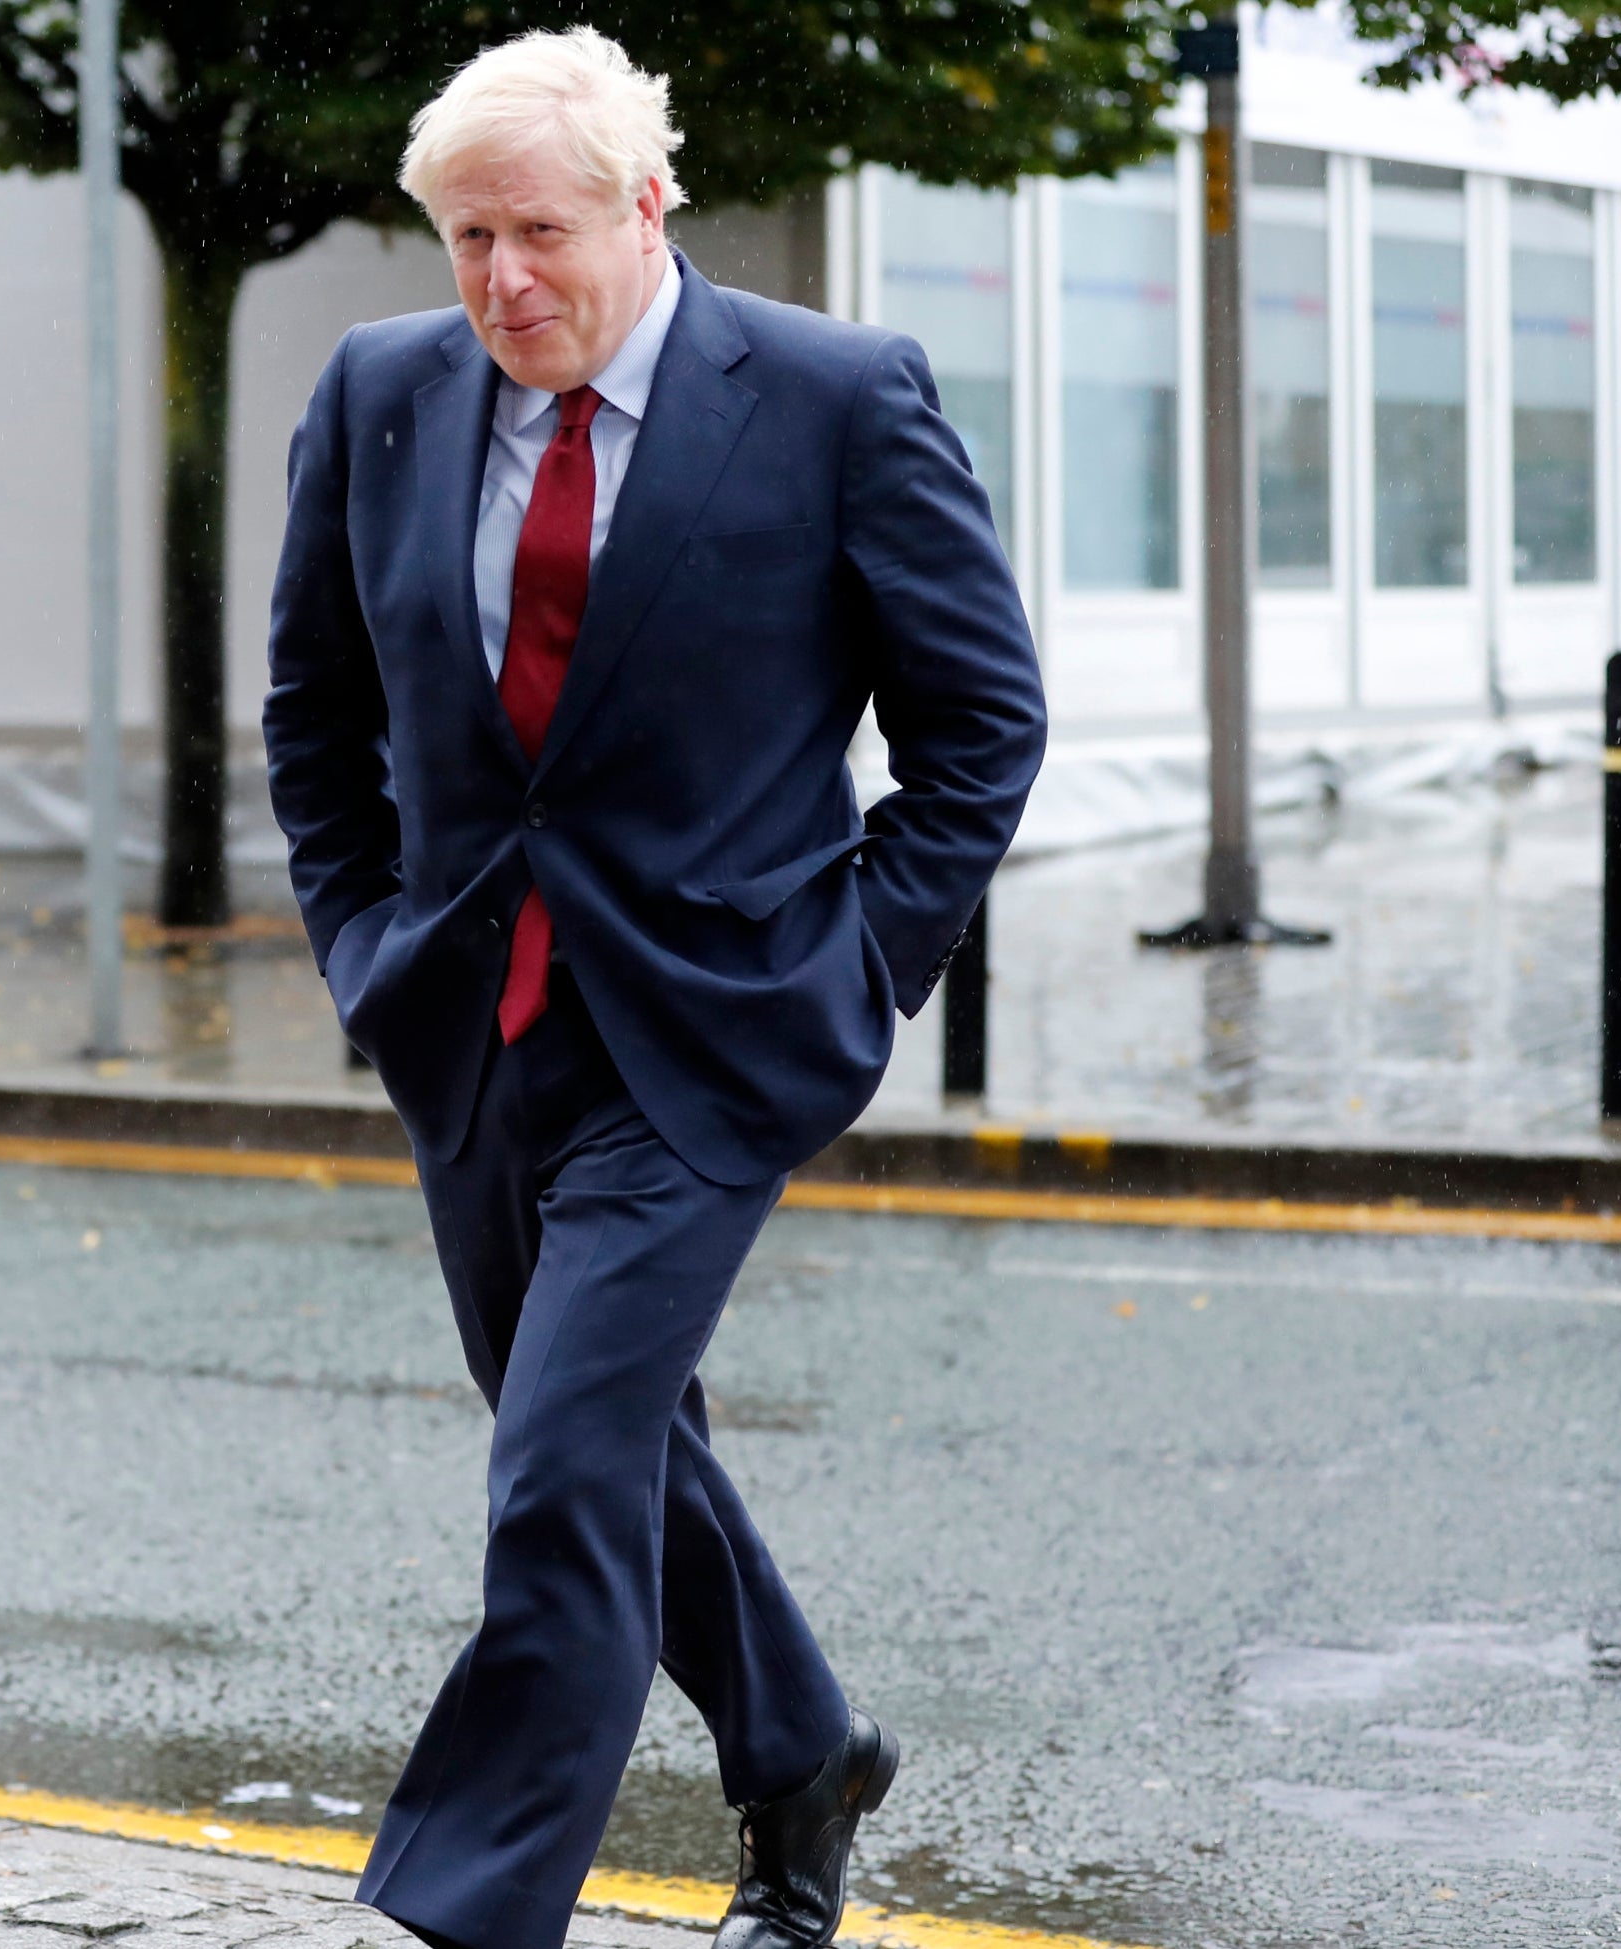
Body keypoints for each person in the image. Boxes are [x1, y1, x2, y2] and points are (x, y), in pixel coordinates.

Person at [262, 31, 1045, 1949]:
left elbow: (980, 725)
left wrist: (858, 969)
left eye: (538, 232)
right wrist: (367, 945)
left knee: (562, 1468)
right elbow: (315, 716)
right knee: (621, 1450)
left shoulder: (838, 398)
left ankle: (460, 1910)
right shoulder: (379, 391)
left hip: (715, 1034)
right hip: (469, 1026)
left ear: (646, 204)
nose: (501, 280)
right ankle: (803, 1752)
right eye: (462, 239)